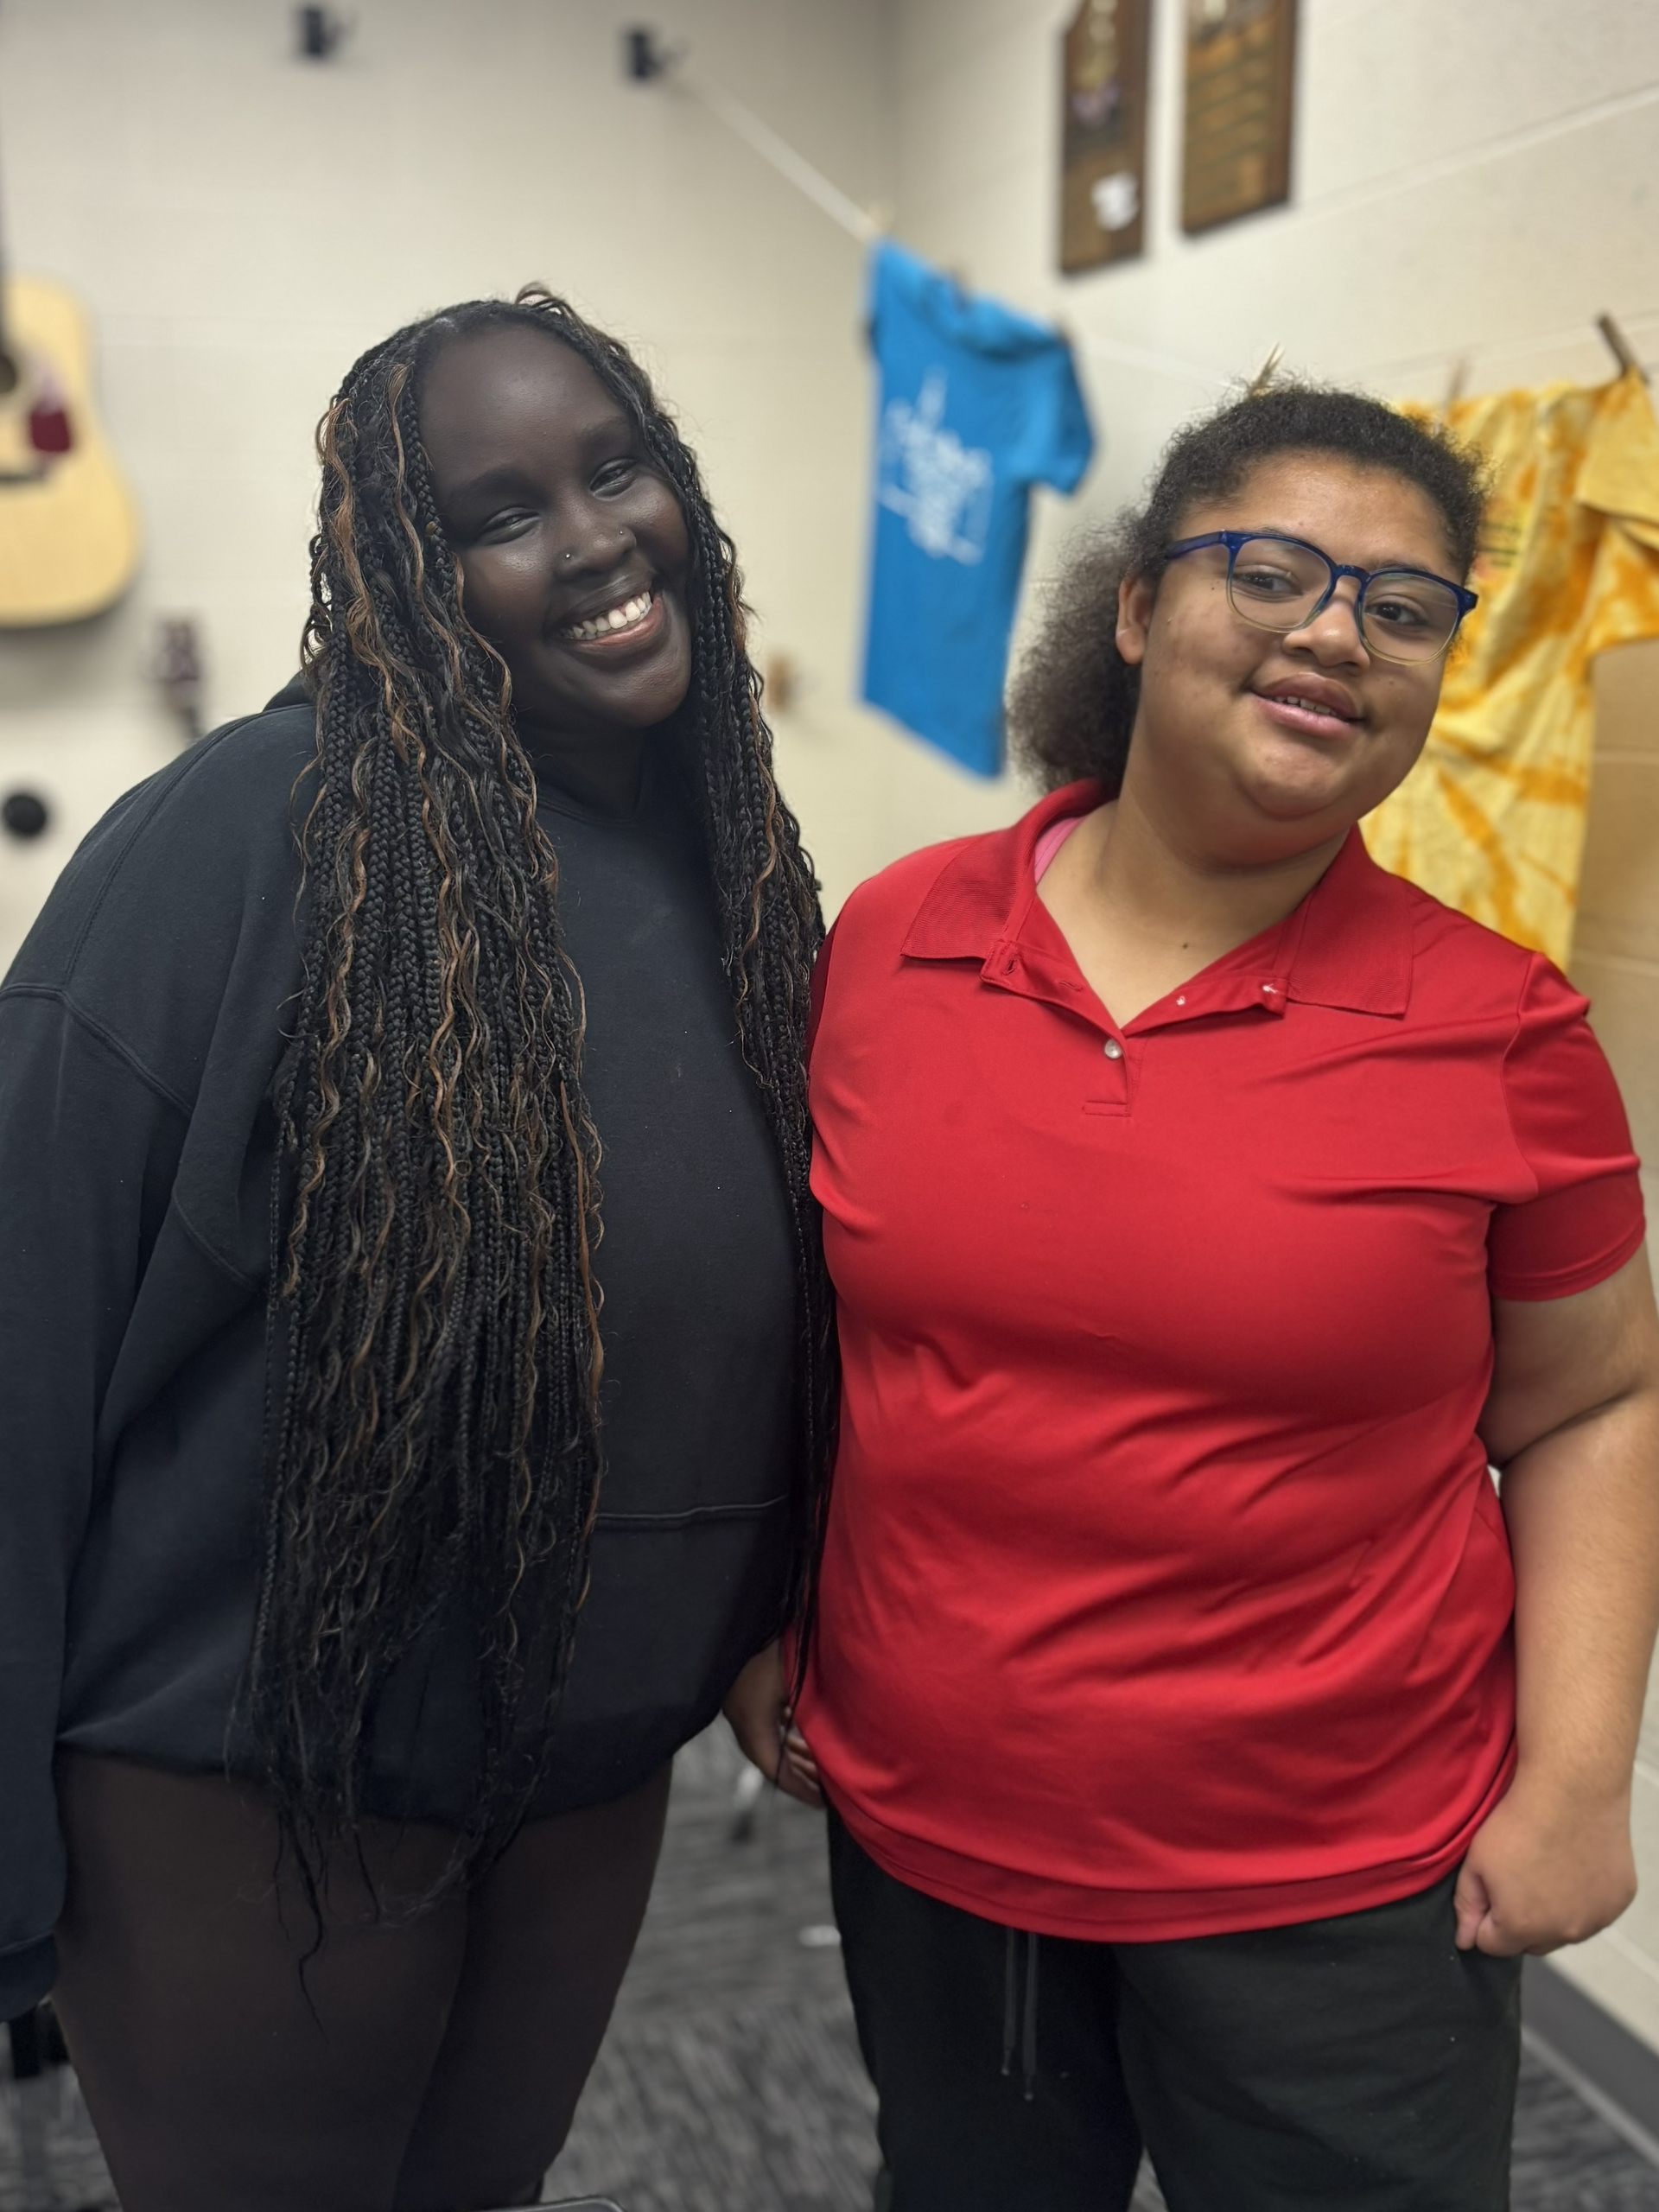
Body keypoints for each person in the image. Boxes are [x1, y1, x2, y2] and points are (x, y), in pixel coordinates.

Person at [726, 385, 1659, 2211]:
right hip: (938, 1833)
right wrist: (768, 1610)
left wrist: (1578, 1774)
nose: (1337, 630)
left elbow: (1590, 1404)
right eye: (1275, 570)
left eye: (1404, 605)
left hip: (1336, 1871)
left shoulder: (1505, 1031)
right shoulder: (895, 941)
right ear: (1140, 605)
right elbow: (819, 1339)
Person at [0, 286, 830, 2212]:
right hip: (254, 1772)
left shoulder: (729, 853)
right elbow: (19, 1333)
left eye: (615, 467)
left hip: (586, 1753)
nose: (595, 537)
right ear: (400, 566)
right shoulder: (239, 837)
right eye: (500, 511)